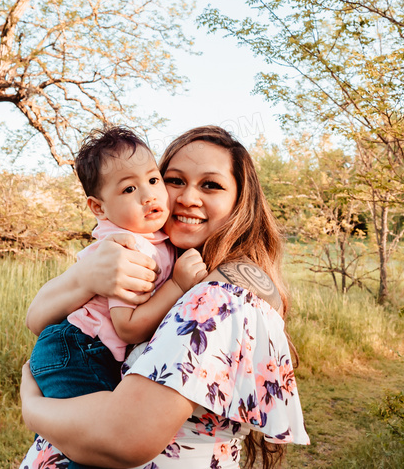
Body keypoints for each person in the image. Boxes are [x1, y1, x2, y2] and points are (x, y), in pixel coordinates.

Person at [19, 126, 309, 469]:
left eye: (211, 185)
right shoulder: (147, 257)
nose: (187, 197)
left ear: (239, 202)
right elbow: (36, 320)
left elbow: (125, 439)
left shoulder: (224, 287)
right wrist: (84, 277)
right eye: (174, 180)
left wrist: (33, 409)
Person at [27, 126, 209, 469]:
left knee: (83, 445)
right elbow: (126, 326)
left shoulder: (155, 238)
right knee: (97, 449)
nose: (149, 195)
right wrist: (179, 285)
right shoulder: (132, 246)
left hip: (84, 348)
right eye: (129, 188)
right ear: (99, 207)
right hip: (78, 349)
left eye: (154, 180)